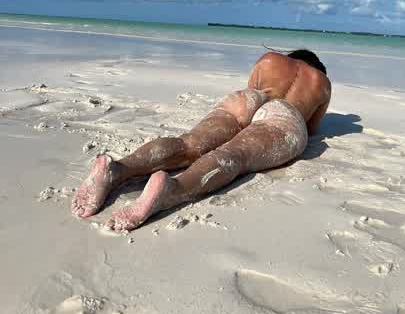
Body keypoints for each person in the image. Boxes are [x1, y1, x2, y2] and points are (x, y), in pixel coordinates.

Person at [71, 49, 331, 231]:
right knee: (234, 155)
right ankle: (174, 188)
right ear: (317, 67)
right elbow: (312, 128)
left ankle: (118, 169)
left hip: (247, 100)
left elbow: (252, 89)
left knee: (190, 143)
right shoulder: (322, 82)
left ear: (292, 55)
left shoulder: (271, 59)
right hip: (285, 113)